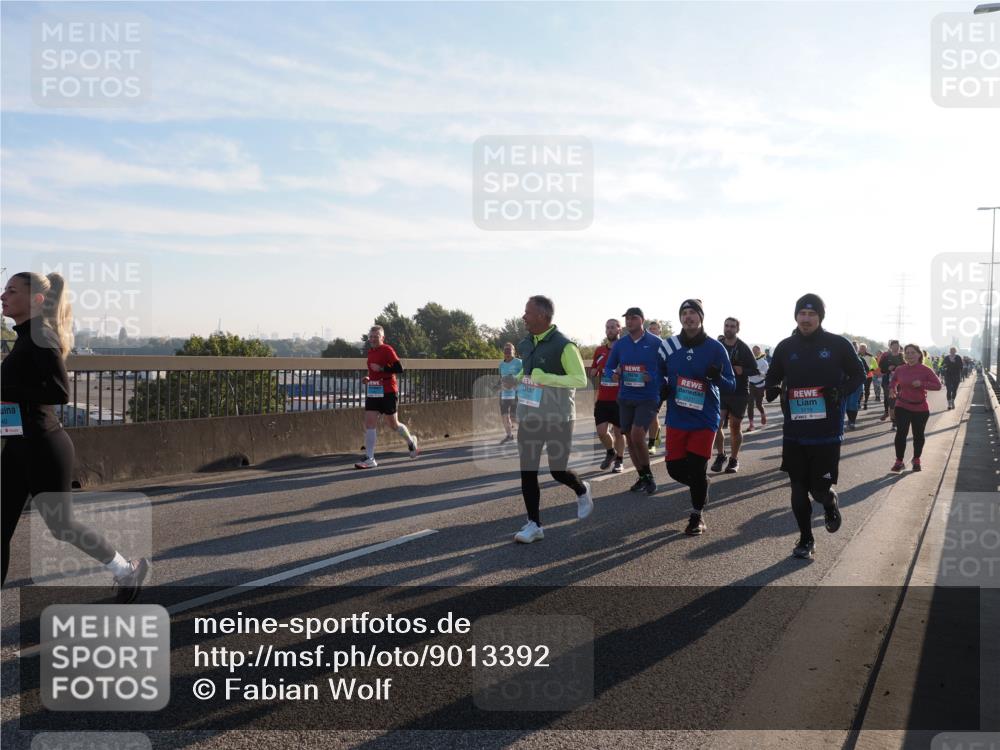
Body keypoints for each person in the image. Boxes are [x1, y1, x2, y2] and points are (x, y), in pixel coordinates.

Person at [1, 272, 149, 601]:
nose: (2, 296)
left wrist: (4, 388)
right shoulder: (25, 336)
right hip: (17, 445)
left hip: (43, 446)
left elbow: (59, 391)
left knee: (62, 526)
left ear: (36, 300)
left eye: (11, 290)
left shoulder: (41, 334)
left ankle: (127, 570)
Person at [764, 293, 865, 560]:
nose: (806, 318)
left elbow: (859, 374)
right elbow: (773, 374)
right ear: (796, 316)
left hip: (827, 431)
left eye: (811, 314)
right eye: (802, 313)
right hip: (795, 430)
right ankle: (806, 538)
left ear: (820, 317)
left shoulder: (837, 344)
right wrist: (773, 387)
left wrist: (841, 391)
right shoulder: (786, 346)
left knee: (818, 490)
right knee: (797, 487)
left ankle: (830, 502)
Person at [512, 295, 592, 543]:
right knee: (528, 471)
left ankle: (581, 489)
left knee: (557, 470)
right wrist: (516, 379)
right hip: (530, 415)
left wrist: (547, 378)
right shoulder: (525, 343)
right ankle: (534, 524)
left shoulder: (564, 345)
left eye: (527, 312)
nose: (523, 316)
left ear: (542, 316)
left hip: (558, 416)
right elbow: (527, 373)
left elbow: (580, 379)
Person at [662, 299, 735, 535]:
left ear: (701, 317)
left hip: (705, 418)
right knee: (674, 469)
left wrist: (716, 378)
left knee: (696, 466)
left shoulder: (716, 348)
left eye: (693, 312)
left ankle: (696, 516)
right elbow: (658, 375)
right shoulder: (669, 346)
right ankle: (701, 484)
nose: (688, 316)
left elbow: (731, 385)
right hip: (677, 417)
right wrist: (661, 390)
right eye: (684, 313)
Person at [603, 307, 669, 495]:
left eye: (633, 318)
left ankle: (649, 476)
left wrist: (654, 377)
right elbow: (608, 368)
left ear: (642, 320)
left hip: (647, 397)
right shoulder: (621, 344)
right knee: (630, 439)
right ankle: (642, 477)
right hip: (625, 397)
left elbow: (667, 369)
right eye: (627, 319)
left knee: (638, 435)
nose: (629, 322)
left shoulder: (657, 343)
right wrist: (614, 374)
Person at [354, 325, 418, 469]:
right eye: (371, 336)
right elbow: (374, 372)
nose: (373, 339)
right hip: (374, 390)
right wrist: (368, 378)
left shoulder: (387, 349)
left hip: (388, 390)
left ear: (382, 338)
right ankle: (370, 458)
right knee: (369, 423)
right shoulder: (370, 352)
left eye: (376, 336)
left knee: (393, 424)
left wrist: (382, 368)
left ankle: (410, 441)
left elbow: (399, 368)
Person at [711, 317, 757, 473]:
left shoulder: (743, 348)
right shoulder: (718, 346)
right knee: (716, 424)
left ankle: (734, 459)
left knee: (735, 427)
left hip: (739, 393)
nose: (728, 329)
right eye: (726, 326)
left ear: (737, 329)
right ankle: (721, 455)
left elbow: (755, 370)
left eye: (732, 326)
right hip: (721, 391)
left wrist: (742, 370)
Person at [889, 344, 942, 472]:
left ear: (919, 354)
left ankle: (916, 459)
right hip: (902, 405)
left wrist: (922, 384)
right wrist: (892, 388)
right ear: (904, 355)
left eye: (913, 353)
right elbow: (894, 380)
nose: (910, 355)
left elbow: (938, 385)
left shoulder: (926, 370)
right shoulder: (900, 369)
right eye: (907, 353)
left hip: (920, 408)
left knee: (918, 435)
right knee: (901, 432)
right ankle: (899, 461)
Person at [590, 318, 625, 473]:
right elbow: (593, 369)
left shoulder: (625, 349)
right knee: (601, 432)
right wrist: (595, 371)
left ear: (619, 329)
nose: (609, 330)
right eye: (607, 327)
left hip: (619, 399)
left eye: (613, 327)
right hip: (603, 399)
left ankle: (619, 460)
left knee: (619, 432)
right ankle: (610, 452)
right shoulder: (599, 350)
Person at [645, 320, 666, 455]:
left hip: (659, 385)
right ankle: (655, 435)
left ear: (660, 331)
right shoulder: (644, 344)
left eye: (655, 329)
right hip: (643, 384)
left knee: (652, 414)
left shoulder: (664, 345)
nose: (652, 331)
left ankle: (652, 443)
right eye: (650, 329)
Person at [497, 342, 521, 444]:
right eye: (505, 351)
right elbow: (501, 378)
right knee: (504, 416)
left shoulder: (519, 362)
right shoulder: (501, 365)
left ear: (513, 352)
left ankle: (525, 434)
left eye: (509, 350)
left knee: (514, 417)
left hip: (516, 393)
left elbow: (525, 375)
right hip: (504, 394)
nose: (507, 353)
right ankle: (509, 435)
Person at [878, 341, 905, 430]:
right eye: (894, 346)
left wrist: (898, 369)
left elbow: (906, 367)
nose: (896, 347)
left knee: (898, 401)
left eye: (897, 346)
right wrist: (887, 368)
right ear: (890, 346)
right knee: (892, 401)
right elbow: (881, 369)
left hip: (900, 382)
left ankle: (894, 418)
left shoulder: (902, 356)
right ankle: (894, 422)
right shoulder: (886, 356)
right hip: (887, 382)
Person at [843, 341, 867, 430]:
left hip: (856, 385)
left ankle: (852, 421)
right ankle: (848, 420)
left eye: (854, 348)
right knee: (845, 404)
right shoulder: (840, 358)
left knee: (852, 403)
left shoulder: (860, 359)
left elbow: (865, 372)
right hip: (844, 384)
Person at [746, 344, 769, 431]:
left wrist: (759, 373)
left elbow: (766, 375)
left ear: (759, 351)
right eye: (753, 351)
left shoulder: (764, 362)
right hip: (751, 385)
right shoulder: (750, 361)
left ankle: (763, 414)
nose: (754, 352)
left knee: (759, 404)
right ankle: (751, 424)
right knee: (750, 405)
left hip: (760, 385)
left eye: (756, 350)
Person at [858, 343, 878, 409]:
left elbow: (875, 365)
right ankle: (859, 402)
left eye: (863, 348)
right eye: (861, 348)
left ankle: (865, 403)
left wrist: (870, 369)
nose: (862, 349)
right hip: (859, 376)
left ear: (866, 349)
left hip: (868, 375)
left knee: (867, 389)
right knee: (860, 389)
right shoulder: (856, 356)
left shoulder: (870, 356)